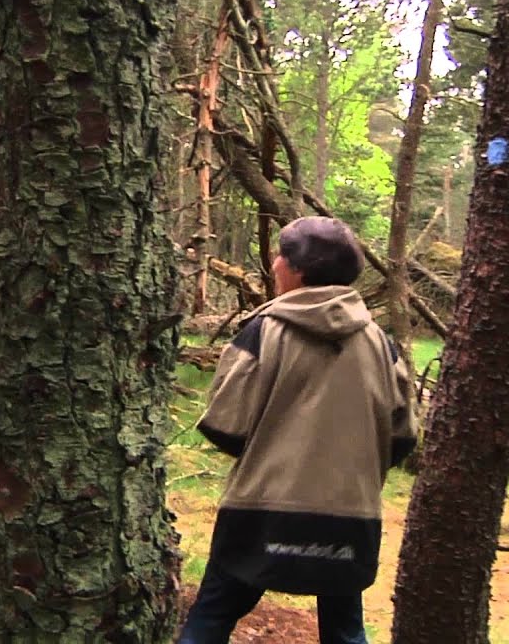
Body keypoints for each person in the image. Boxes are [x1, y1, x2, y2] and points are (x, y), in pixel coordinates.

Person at [177, 216, 418, 644]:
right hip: (350, 517)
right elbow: (402, 438)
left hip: (260, 510)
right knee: (345, 631)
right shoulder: (382, 344)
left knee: (210, 620)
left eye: (280, 255)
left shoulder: (262, 331)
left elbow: (222, 426)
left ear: (299, 269)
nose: (274, 263)